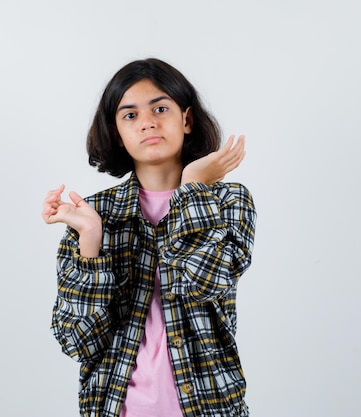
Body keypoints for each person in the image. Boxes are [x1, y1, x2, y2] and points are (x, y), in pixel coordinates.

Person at [41, 58, 256, 417]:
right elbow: (77, 341)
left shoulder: (227, 200)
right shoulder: (93, 216)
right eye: (130, 115)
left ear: (186, 120)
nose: (148, 123)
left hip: (209, 407)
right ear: (117, 134)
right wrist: (91, 240)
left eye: (160, 108)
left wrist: (192, 188)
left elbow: (205, 281)